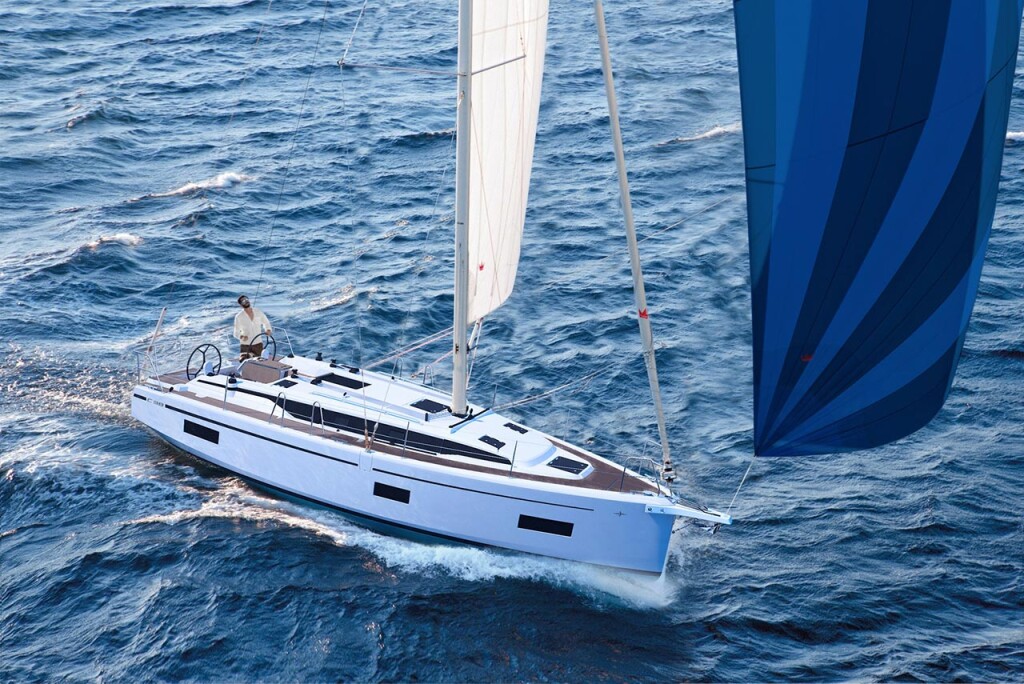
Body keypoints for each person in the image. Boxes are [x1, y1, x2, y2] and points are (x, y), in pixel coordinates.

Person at [233, 294, 272, 360]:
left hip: (258, 344)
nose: (245, 301)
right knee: (243, 360)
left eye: (246, 299)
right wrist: (241, 337)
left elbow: (266, 322)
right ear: (241, 305)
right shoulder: (238, 316)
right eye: (243, 301)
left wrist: (268, 329)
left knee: (259, 362)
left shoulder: (258, 312)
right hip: (246, 345)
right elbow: (235, 333)